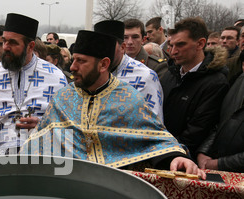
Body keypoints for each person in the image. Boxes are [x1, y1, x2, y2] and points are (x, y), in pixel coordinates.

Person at [21, 29, 204, 178]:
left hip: (111, 189)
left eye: (81, 61)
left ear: (103, 65)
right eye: (74, 59)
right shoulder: (63, 97)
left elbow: (153, 139)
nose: (72, 67)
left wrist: (177, 158)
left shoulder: (129, 98)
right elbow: (41, 139)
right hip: (67, 184)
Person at [0, 13, 67, 155]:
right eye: (4, 41)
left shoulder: (55, 77)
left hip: (41, 157)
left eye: (13, 43)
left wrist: (43, 126)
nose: (5, 47)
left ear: (30, 46)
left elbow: (67, 125)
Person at [160, 17, 229, 159]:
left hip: (184, 158)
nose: (173, 52)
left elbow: (197, 131)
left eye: (180, 45)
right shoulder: (170, 74)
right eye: (171, 45)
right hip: (161, 150)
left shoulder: (216, 82)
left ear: (200, 44)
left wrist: (166, 152)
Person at [94, 20, 165, 121]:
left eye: (109, 47)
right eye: (100, 47)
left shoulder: (145, 76)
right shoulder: (90, 71)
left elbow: (152, 123)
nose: (130, 42)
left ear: (122, 47)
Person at [197, 71, 244, 173]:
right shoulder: (240, 79)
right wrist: (204, 151)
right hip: (217, 172)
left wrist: (219, 164)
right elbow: (223, 121)